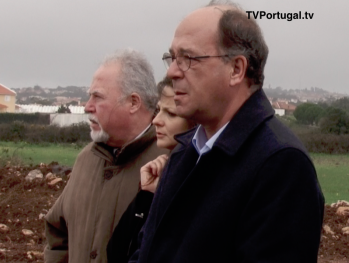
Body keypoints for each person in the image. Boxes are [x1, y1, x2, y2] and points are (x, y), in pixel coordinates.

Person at [130, 1, 324, 263]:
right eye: (172, 58)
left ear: (236, 69)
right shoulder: (185, 152)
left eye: (188, 58)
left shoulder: (281, 165)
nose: (173, 72)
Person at [44, 48, 167, 263]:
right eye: (89, 96)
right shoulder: (86, 159)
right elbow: (58, 234)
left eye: (97, 97)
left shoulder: (168, 162)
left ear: (133, 103)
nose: (87, 106)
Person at [107, 76, 195, 263]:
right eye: (158, 110)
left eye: (170, 113)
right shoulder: (164, 170)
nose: (156, 120)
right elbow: (117, 251)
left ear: (197, 123)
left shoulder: (196, 181)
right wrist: (147, 195)